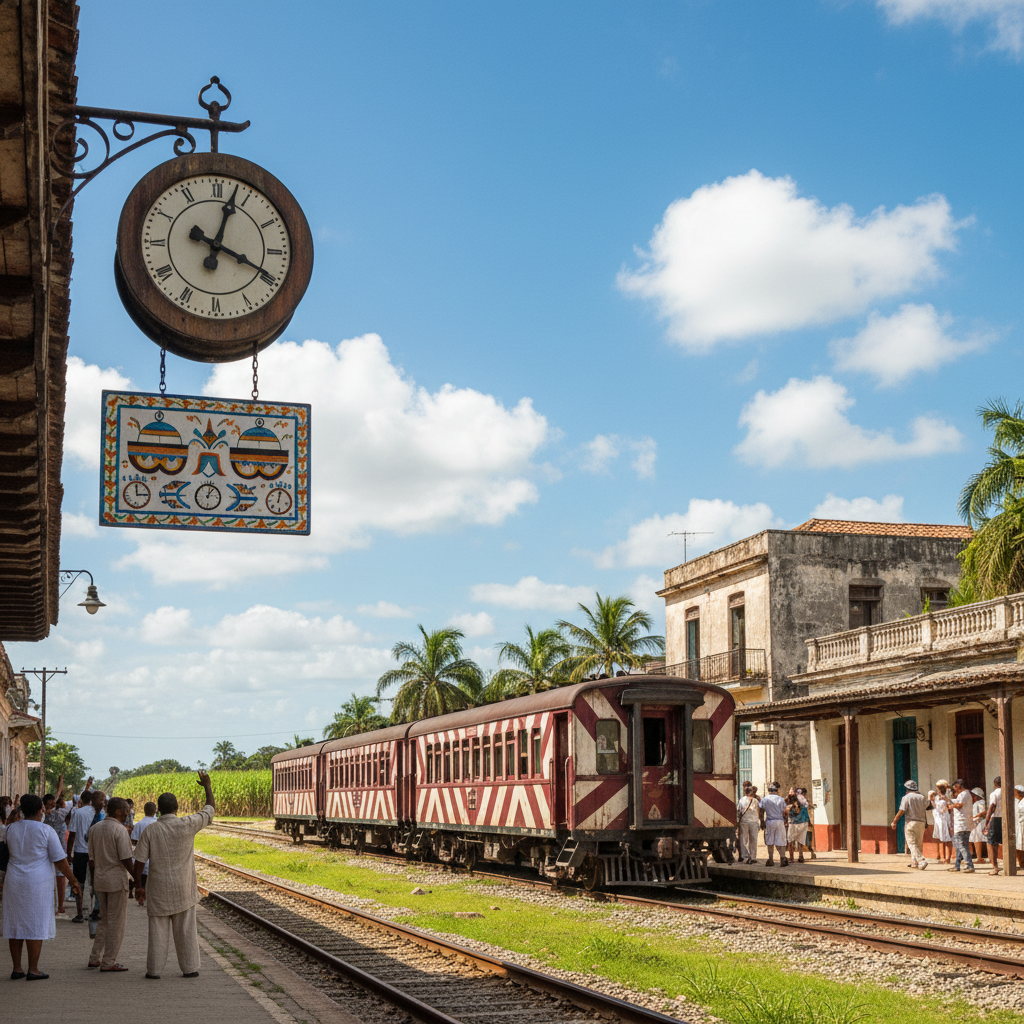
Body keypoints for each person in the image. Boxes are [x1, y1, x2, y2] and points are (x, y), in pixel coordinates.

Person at [134, 772, 215, 979]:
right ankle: (189, 968)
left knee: (157, 932)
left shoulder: (151, 830)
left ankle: (154, 970)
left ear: (158, 809)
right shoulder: (188, 824)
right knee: (186, 930)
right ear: (177, 808)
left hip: (158, 888)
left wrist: (139, 886)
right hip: (183, 888)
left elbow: (139, 862)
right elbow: (209, 810)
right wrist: (207, 786)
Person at [1, 793, 82, 979]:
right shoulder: (46, 831)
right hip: (37, 883)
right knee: (35, 923)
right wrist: (73, 880)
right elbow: (60, 860)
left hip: (14, 881)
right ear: (41, 810)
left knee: (15, 923)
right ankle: (33, 969)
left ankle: (17, 968)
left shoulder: (10, 829)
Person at [87, 797, 134, 972]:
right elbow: (126, 859)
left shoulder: (94, 829)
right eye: (125, 809)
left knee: (104, 920)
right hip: (116, 881)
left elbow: (91, 861)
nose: (128, 812)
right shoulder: (119, 830)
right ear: (118, 811)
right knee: (117, 922)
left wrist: (93, 881)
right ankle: (108, 961)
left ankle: (94, 957)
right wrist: (137, 879)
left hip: (100, 880)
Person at [66, 789, 96, 922]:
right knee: (94, 884)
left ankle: (80, 914)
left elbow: (72, 834)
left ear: (82, 801)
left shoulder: (78, 813)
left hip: (80, 852)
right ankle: (93, 912)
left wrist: (68, 854)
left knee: (79, 884)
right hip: (95, 853)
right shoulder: (99, 812)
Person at [41, 777, 70, 914]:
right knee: (60, 877)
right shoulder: (60, 814)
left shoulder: (42, 816)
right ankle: (60, 906)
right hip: (58, 850)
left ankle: (55, 906)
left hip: (46, 850)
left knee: (53, 878)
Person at [891, 779, 928, 869]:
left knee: (911, 843)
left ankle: (921, 860)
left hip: (910, 822)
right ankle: (914, 863)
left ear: (907, 789)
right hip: (921, 822)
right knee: (918, 843)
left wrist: (895, 821)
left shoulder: (906, 798)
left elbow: (902, 810)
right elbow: (924, 810)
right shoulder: (922, 797)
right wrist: (926, 822)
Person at [130, 802, 158, 898]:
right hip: (155, 860)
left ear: (144, 810)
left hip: (142, 861)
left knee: (143, 881)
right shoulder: (157, 823)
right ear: (155, 811)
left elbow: (133, 841)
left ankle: (142, 896)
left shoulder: (138, 824)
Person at [947, 779, 975, 873]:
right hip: (965, 823)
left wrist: (952, 805)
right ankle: (957, 865)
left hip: (961, 824)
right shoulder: (967, 794)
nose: (954, 789)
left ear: (959, 785)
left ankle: (969, 865)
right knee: (961, 845)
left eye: (955, 786)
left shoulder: (963, 794)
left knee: (961, 845)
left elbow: (959, 804)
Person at [759, 782, 788, 867]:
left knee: (770, 841)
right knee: (781, 841)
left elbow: (761, 811)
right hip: (779, 821)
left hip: (769, 821)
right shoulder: (781, 799)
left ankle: (770, 859)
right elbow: (785, 811)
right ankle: (782, 858)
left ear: (769, 790)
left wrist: (761, 821)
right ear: (776, 790)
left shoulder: (765, 799)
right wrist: (785, 821)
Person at [983, 775, 1003, 875]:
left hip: (996, 818)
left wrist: (986, 821)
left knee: (991, 842)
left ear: (995, 784)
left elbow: (992, 807)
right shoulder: (1008, 792)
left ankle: (995, 866)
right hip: (1005, 818)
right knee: (1005, 841)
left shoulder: (994, 793)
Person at [930, 781, 954, 864]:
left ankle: (948, 858)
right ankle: (942, 856)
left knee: (947, 839)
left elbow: (947, 807)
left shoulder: (947, 797)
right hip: (938, 819)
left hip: (945, 819)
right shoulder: (937, 797)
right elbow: (934, 806)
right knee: (941, 838)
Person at [736, 785, 760, 864]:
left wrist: (737, 822)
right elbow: (758, 812)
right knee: (754, 839)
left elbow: (739, 811)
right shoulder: (755, 801)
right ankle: (753, 857)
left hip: (744, 822)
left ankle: (746, 857)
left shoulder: (742, 800)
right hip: (754, 822)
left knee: (744, 840)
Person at [786, 792, 811, 864]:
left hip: (793, 824)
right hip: (803, 824)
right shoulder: (803, 805)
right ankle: (801, 856)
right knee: (800, 840)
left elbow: (785, 814)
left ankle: (791, 857)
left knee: (791, 841)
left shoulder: (789, 806)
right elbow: (806, 815)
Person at [969, 787, 987, 864]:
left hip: (980, 822)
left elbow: (984, 812)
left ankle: (980, 858)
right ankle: (976, 856)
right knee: (975, 839)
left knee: (977, 840)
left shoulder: (980, 802)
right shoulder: (976, 803)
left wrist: (975, 817)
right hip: (977, 822)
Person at [1014, 784, 1024, 870]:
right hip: (1018, 826)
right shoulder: (1017, 801)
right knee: (1019, 845)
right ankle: (1021, 863)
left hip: (1022, 825)